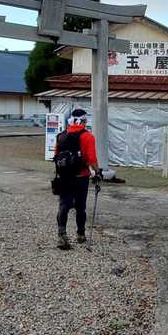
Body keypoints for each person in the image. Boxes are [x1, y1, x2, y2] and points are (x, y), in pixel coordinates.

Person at [52, 107, 99, 250]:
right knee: (80, 207)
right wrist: (97, 172)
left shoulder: (61, 135)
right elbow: (91, 159)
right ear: (84, 121)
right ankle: (80, 234)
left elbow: (56, 155)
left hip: (64, 177)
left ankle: (62, 235)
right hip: (81, 177)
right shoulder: (87, 136)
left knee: (64, 205)